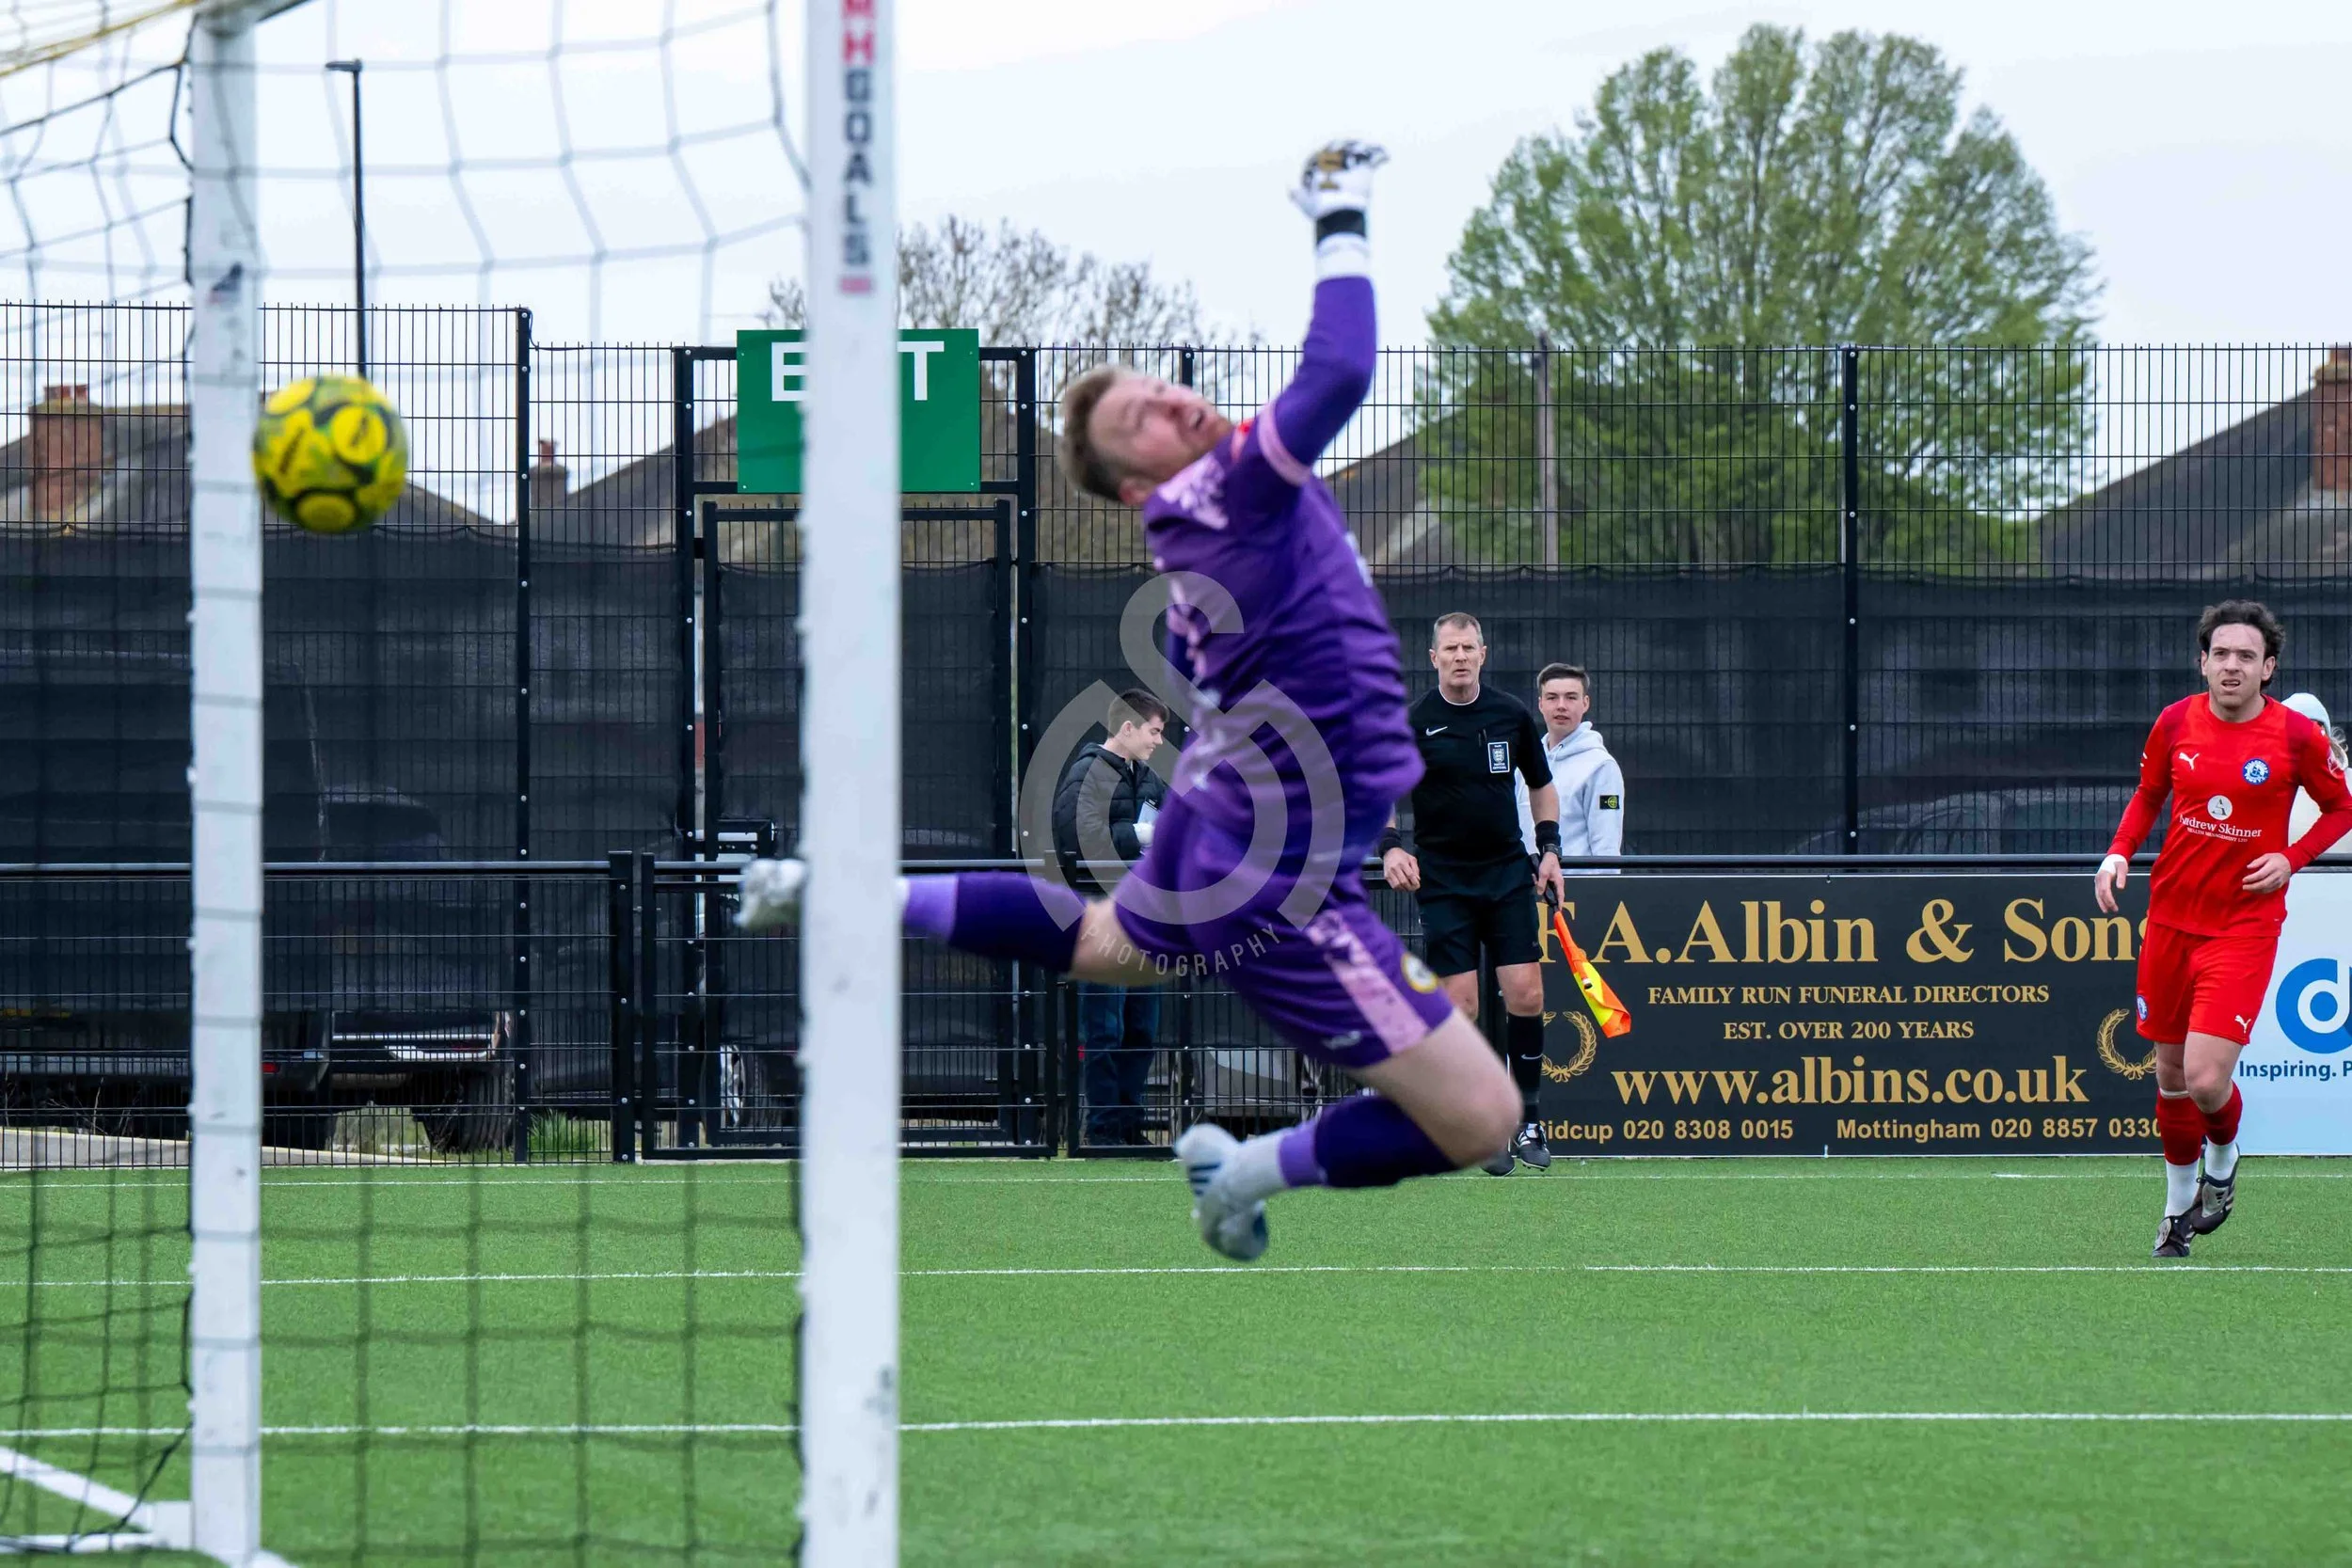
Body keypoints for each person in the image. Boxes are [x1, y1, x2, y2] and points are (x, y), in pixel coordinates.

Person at [738, 139, 1520, 1261]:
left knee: (1110, 939)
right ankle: (1247, 1171)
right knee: (1480, 1116)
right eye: (1139, 418)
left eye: (1158, 388)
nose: (1169, 401)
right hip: (1280, 871)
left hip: (1236, 816)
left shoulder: (1207, 505)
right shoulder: (1226, 489)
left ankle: (854, 894)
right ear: (1138, 480)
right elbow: (1343, 369)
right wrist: (1338, 211)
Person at [2096, 602, 2352, 1258]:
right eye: (2221, 654)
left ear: (2268, 668)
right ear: (2202, 661)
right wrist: (2119, 851)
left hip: (2243, 926)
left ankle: (2224, 1152)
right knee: (2170, 1077)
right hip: (2170, 921)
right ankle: (2177, 1209)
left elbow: (2340, 808)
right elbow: (2149, 793)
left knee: (2207, 1080)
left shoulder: (2295, 736)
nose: (2231, 665)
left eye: (2246, 656)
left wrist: (2291, 858)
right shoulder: (2175, 721)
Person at [1378, 613, 1565, 1175]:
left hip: (1507, 873)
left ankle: (1528, 1121)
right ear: (1433, 658)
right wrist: (1390, 847)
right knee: (1461, 1008)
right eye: (1450, 649)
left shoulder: (1511, 714)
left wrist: (1550, 849)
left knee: (1526, 993)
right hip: (1444, 881)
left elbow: (1541, 785)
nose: (1459, 657)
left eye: (1468, 648)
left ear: (1483, 654)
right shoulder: (1413, 723)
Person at [1051, 689, 1170, 1144]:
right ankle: (1102, 1129)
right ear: (1127, 728)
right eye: (1154, 731)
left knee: (1141, 1028)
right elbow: (1076, 836)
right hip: (1102, 921)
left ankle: (1128, 1125)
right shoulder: (1086, 773)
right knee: (1104, 1028)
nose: (1159, 740)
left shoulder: (1149, 779)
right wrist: (1139, 834)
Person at [1518, 663, 1624, 867]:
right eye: (1552, 697)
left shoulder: (1601, 766)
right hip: (1526, 884)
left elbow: (1606, 848)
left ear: (1585, 703)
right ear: (1540, 704)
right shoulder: (1525, 762)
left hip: (1577, 885)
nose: (1561, 706)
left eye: (1571, 697)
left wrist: (1604, 886)